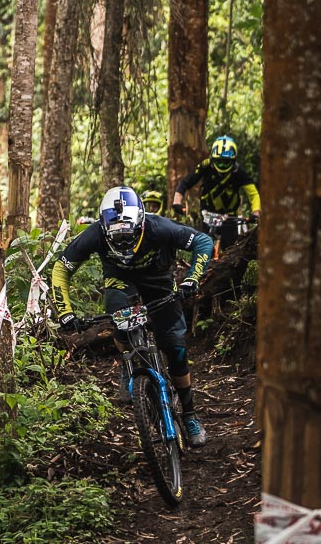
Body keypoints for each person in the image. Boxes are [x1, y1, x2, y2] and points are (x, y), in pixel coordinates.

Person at [52, 186, 214, 446]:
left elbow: (203, 241)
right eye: (117, 236)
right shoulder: (94, 233)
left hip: (160, 282)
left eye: (128, 235)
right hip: (121, 281)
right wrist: (65, 313)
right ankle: (127, 363)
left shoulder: (160, 227)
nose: (124, 242)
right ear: (104, 227)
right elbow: (61, 268)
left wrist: (192, 279)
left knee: (175, 349)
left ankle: (189, 414)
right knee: (120, 318)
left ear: (140, 222)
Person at [171, 134, 261, 249]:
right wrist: (177, 202)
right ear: (213, 159)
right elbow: (185, 183)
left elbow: (253, 194)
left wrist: (255, 212)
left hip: (229, 217)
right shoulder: (206, 165)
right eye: (219, 162)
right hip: (207, 214)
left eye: (226, 162)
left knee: (230, 250)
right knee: (203, 247)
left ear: (233, 161)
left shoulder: (238, 171)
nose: (222, 166)